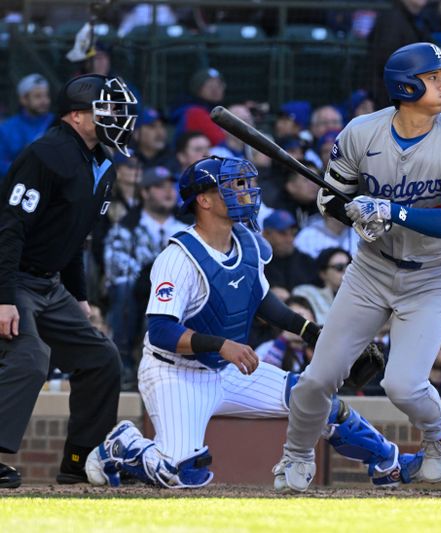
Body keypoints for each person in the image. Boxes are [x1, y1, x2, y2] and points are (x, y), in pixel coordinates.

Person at [84, 156, 421, 490]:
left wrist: (312, 332)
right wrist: (221, 345)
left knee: (313, 398)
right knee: (180, 473)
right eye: (231, 186)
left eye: (243, 184)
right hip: (176, 372)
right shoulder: (178, 257)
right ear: (203, 200)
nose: (243, 192)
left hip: (228, 367)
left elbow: (262, 301)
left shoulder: (247, 242)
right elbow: (160, 332)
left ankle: (387, 462)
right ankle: (125, 445)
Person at [278, 42, 441, 492]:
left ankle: (438, 435)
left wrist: (390, 211)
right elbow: (331, 198)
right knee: (316, 380)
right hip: (371, 269)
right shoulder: (361, 132)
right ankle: (295, 459)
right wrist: (349, 212)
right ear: (405, 85)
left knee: (404, 387)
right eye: (432, 77)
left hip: (434, 274)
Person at [0, 74, 137, 489]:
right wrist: (3, 298)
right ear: (76, 115)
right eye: (107, 109)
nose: (117, 116)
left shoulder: (103, 166)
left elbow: (77, 237)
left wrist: (79, 296)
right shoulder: (45, 154)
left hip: (51, 284)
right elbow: (8, 228)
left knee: (102, 359)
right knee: (31, 358)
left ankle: (81, 460)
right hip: (14, 279)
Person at [103, 166, 185, 390]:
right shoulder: (126, 227)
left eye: (171, 186)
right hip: (136, 295)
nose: (168, 192)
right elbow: (116, 268)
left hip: (178, 294)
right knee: (124, 286)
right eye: (159, 187)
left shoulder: (187, 229)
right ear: (145, 193)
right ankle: (124, 361)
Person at [0, 74, 54, 177]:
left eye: (46, 95)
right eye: (38, 96)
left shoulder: (58, 123)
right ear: (23, 99)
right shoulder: (6, 129)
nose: (45, 101)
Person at [292, 248, 351, 326]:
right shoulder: (305, 293)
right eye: (339, 267)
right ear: (323, 273)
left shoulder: (359, 294)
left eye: (350, 266)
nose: (346, 271)